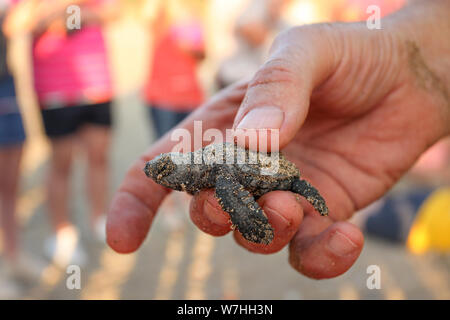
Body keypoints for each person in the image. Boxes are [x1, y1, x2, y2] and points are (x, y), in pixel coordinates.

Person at [106, 0, 450, 279]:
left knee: (271, 193)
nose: (166, 173)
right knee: (231, 201)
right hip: (253, 167)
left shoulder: (216, 174)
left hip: (275, 171)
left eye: (168, 170)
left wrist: (255, 222)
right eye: (167, 170)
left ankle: (296, 206)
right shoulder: (206, 167)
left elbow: (232, 182)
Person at [6, 0, 118, 267]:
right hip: (54, 87)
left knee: (98, 155)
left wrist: (72, 15)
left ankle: (98, 219)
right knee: (61, 162)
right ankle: (62, 232)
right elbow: (17, 24)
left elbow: (114, 11)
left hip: (96, 82)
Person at [144, 0, 205, 138]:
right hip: (163, 98)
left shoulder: (193, 18)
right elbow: (151, 21)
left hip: (191, 96)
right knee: (165, 150)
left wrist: (189, 49)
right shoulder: (160, 14)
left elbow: (203, 53)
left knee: (190, 150)